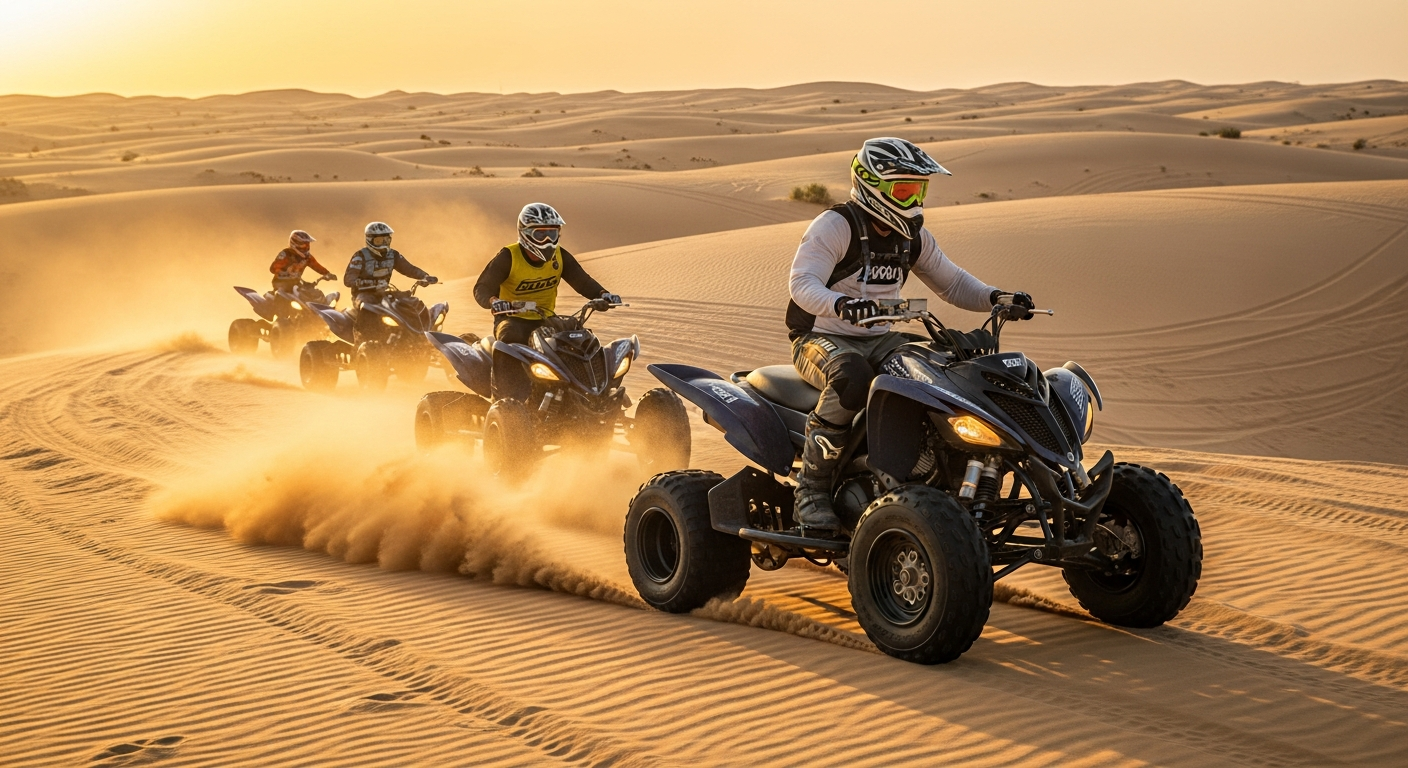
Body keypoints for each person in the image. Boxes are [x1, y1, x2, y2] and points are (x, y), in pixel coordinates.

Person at [787, 137, 1034, 533]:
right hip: (821, 336)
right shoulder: (836, 225)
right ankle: (811, 491)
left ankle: (932, 470)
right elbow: (801, 283)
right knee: (851, 379)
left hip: (881, 338)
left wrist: (997, 298)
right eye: (904, 190)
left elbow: (952, 284)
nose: (914, 200)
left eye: (918, 189)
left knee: (945, 367)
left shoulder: (912, 236)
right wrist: (840, 305)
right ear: (870, 184)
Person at [472, 203, 619, 400]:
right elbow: (481, 287)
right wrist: (494, 301)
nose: (548, 240)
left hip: (547, 320)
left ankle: (591, 393)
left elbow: (582, 282)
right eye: (541, 234)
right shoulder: (509, 256)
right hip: (513, 320)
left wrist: (602, 295)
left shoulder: (560, 256)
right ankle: (506, 401)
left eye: (553, 233)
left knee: (580, 337)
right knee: (509, 343)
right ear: (525, 233)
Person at [344, 221, 438, 341]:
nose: (383, 243)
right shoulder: (360, 256)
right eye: (379, 240)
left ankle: (418, 336)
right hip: (364, 294)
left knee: (411, 302)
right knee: (367, 308)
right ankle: (361, 341)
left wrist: (424, 276)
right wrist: (361, 282)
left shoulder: (393, 255)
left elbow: (409, 268)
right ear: (370, 240)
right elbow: (348, 279)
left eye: (386, 240)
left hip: (384, 293)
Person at [267, 230, 334, 310]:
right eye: (303, 244)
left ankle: (314, 313)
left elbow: (316, 265)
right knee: (281, 294)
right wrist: (283, 271)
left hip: (296, 282)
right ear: (295, 243)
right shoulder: (286, 254)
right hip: (281, 282)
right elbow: (273, 268)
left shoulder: (307, 257)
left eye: (307, 244)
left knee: (310, 293)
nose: (306, 247)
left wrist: (327, 273)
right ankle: (280, 317)